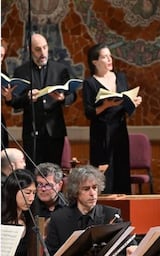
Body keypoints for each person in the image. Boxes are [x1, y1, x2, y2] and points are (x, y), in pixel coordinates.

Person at [8, 33, 77, 170]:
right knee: (33, 170)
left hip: (54, 130)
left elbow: (72, 95)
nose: (43, 52)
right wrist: (27, 97)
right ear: (30, 50)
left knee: (54, 171)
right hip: (32, 131)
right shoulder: (22, 71)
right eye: (38, 49)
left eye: (45, 48)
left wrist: (63, 98)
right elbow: (14, 102)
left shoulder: (60, 69)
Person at [82, 43, 142, 194]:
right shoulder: (90, 83)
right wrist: (106, 105)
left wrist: (133, 102)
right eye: (104, 57)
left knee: (121, 169)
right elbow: (88, 112)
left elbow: (125, 106)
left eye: (110, 56)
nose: (109, 59)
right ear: (95, 62)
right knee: (105, 173)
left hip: (120, 129)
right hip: (101, 133)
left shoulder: (120, 77)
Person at [45, 165, 137, 255]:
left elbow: (129, 245)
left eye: (94, 188)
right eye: (86, 189)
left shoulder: (111, 215)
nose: (92, 193)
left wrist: (132, 249)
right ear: (75, 192)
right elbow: (52, 252)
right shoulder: (58, 218)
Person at [1, 169, 37, 256]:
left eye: (34, 193)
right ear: (13, 192)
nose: (31, 198)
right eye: (27, 193)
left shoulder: (29, 219)